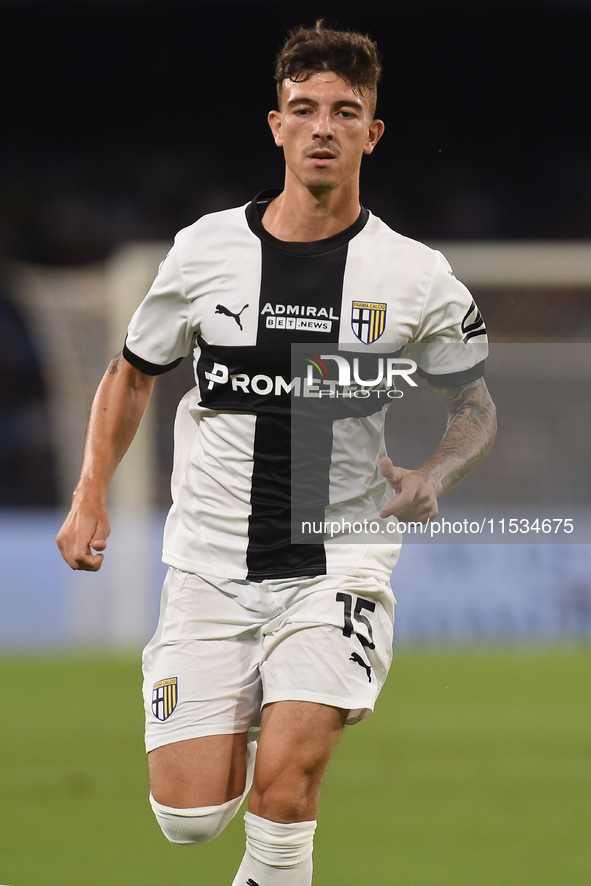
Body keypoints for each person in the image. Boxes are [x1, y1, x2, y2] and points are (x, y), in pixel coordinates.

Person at [57, 21, 496, 886]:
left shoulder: (415, 276)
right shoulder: (205, 251)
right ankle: (259, 689)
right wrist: (90, 492)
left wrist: (435, 472)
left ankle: (302, 686)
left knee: (287, 793)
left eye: (344, 111)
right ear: (276, 125)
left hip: (337, 558)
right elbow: (132, 373)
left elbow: (474, 405)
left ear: (371, 133)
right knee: (187, 820)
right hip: (210, 564)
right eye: (304, 109)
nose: (322, 126)